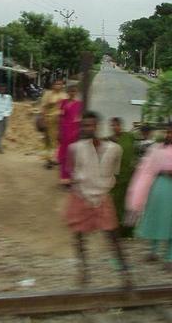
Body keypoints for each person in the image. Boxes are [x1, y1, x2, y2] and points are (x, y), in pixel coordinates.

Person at [66, 111, 131, 287]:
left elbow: (114, 173)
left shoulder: (114, 149)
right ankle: (83, 271)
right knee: (78, 237)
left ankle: (124, 273)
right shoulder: (75, 148)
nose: (89, 128)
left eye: (92, 124)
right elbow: (71, 172)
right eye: (85, 125)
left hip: (103, 197)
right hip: (81, 195)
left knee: (112, 236)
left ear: (98, 126)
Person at [125, 124, 172, 271]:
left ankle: (170, 257)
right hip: (158, 186)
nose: (169, 135)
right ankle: (153, 251)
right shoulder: (157, 149)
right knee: (156, 218)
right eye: (168, 132)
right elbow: (146, 168)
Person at [109, 117, 136, 237]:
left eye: (116, 125)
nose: (115, 127)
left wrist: (134, 166)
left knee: (128, 203)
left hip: (129, 176)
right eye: (112, 125)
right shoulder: (110, 141)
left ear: (120, 125)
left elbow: (134, 153)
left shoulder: (129, 137)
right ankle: (116, 229)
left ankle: (127, 231)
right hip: (116, 178)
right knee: (115, 203)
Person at [57, 84, 83, 185]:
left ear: (76, 93)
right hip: (65, 130)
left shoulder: (79, 104)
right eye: (71, 91)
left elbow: (80, 118)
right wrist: (59, 131)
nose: (72, 93)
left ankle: (72, 178)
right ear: (68, 92)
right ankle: (65, 178)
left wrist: (79, 131)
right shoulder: (63, 103)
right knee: (64, 155)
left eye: (74, 91)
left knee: (73, 154)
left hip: (74, 131)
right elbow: (60, 117)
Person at [40, 79, 67, 169]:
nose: (58, 86)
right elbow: (43, 108)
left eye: (60, 84)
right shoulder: (48, 94)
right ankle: (49, 160)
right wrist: (43, 120)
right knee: (49, 141)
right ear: (53, 85)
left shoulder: (65, 95)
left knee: (60, 141)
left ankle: (57, 158)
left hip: (62, 122)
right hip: (50, 121)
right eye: (57, 84)